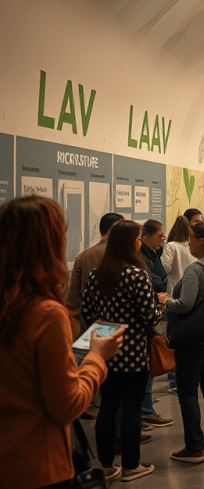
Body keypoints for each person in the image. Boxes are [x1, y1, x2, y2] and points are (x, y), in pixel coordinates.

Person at [0, 196, 125, 489]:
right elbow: (67, 405)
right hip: (38, 468)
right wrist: (96, 358)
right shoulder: (45, 313)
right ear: (48, 244)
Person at [82, 219, 162, 482]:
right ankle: (131, 465)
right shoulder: (137, 274)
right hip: (133, 352)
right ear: (131, 242)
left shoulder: (97, 273)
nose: (140, 241)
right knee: (131, 409)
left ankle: (105, 465)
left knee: (107, 406)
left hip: (105, 350)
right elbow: (149, 317)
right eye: (138, 238)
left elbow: (87, 313)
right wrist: (160, 308)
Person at [158, 221, 204, 463]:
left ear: (202, 241)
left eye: (191, 239)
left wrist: (165, 300)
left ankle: (194, 447)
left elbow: (185, 305)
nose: (188, 243)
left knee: (188, 391)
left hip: (195, 339)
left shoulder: (195, 270)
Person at [65, 212, 124, 339]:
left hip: (90, 325)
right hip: (120, 328)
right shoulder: (124, 256)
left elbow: (73, 298)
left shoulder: (83, 256)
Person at [137, 219, 173, 428]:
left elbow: (161, 278)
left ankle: (145, 406)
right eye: (160, 236)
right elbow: (155, 280)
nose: (162, 240)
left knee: (155, 353)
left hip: (157, 312)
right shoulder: (140, 256)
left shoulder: (154, 253)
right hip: (148, 317)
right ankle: (144, 410)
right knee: (150, 357)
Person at [161, 215, 196, 392]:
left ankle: (174, 380)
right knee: (189, 339)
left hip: (173, 295)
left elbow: (165, 269)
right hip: (192, 296)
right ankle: (188, 378)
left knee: (172, 339)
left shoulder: (171, 247)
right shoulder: (193, 247)